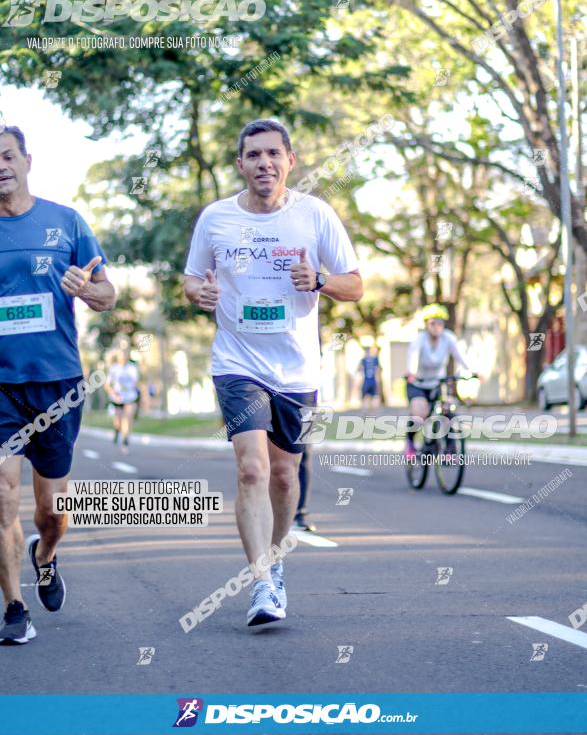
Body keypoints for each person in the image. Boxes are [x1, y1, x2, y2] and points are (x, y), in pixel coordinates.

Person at [184, 118, 362, 627]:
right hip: (237, 362)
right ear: (240, 164)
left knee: (285, 474)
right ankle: (261, 581)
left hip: (297, 367)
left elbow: (355, 285)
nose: (264, 163)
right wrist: (202, 294)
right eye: (253, 155)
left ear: (290, 161)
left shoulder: (315, 215)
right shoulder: (216, 218)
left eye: (272, 155)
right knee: (252, 469)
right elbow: (192, 281)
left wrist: (322, 280)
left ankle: (277, 565)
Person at [0, 125, 115, 645]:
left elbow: (108, 294)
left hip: (57, 384)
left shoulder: (65, 221)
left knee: (53, 513)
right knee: (3, 498)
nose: (1, 166)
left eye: (8, 156)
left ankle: (44, 555)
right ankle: (14, 607)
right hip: (1, 386)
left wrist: (87, 289)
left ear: (27, 160)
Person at [405, 303, 473, 458]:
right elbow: (413, 357)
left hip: (438, 382)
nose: (436, 326)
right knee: (419, 414)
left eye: (440, 323)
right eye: (432, 323)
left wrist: (472, 370)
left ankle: (449, 449)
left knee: (447, 409)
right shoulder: (419, 339)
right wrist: (412, 372)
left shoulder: (448, 338)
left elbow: (460, 355)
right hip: (418, 383)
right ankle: (410, 443)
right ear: (426, 324)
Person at [104, 349, 140, 451]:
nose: (123, 357)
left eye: (125, 355)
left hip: (130, 397)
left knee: (127, 419)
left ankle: (125, 440)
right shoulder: (114, 368)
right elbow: (107, 384)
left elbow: (136, 382)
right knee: (118, 422)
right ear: (118, 357)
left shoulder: (132, 368)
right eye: (122, 355)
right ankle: (117, 430)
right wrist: (112, 392)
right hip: (117, 399)